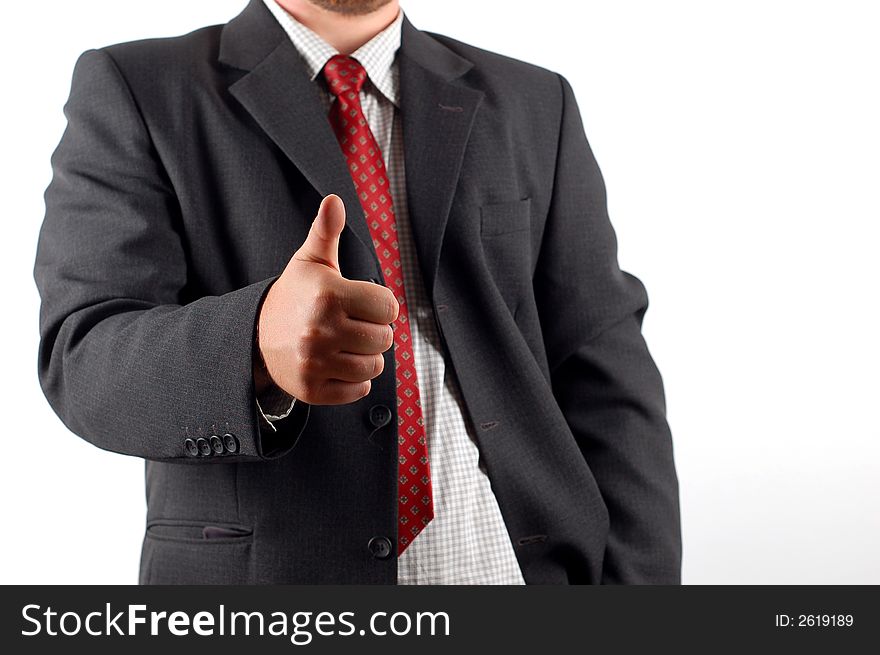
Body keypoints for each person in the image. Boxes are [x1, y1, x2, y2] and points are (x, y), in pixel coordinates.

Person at [34, 0, 681, 584]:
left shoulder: (536, 99)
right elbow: (82, 354)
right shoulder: (138, 86)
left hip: (516, 570)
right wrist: (255, 343)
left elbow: (606, 372)